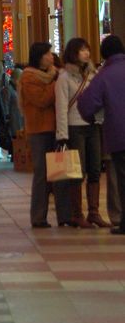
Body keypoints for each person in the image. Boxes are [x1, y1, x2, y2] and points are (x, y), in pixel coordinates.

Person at [55, 37, 109, 228]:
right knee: (77, 172)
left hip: (93, 125)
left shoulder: (93, 75)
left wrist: (100, 120)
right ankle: (77, 214)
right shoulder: (63, 78)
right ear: (73, 53)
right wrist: (62, 135)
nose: (86, 53)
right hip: (74, 127)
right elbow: (61, 107)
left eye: (88, 49)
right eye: (82, 50)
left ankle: (93, 212)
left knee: (95, 169)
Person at [18, 42, 71, 228]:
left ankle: (65, 216)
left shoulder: (55, 73)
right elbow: (41, 100)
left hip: (56, 129)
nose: (51, 56)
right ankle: (39, 217)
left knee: (61, 172)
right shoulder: (28, 77)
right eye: (48, 54)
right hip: (39, 130)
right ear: (39, 57)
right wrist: (57, 84)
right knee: (42, 174)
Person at [78, 35, 125, 235]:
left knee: (123, 179)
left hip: (119, 135)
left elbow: (87, 103)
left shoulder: (104, 75)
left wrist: (90, 118)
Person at [7, 68, 24, 138]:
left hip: (20, 121)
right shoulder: (8, 89)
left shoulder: (17, 88)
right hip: (13, 122)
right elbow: (5, 106)